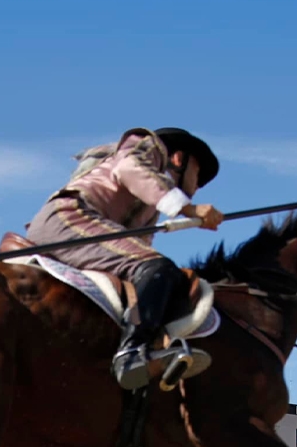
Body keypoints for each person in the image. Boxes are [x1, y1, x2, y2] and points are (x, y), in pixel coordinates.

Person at [25, 127, 224, 390]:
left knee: (152, 271)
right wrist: (188, 209)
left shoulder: (149, 208)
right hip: (70, 218)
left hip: (76, 228)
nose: (197, 189)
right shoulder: (148, 146)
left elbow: (136, 252)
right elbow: (129, 169)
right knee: (158, 268)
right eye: (198, 176)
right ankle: (133, 353)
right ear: (179, 159)